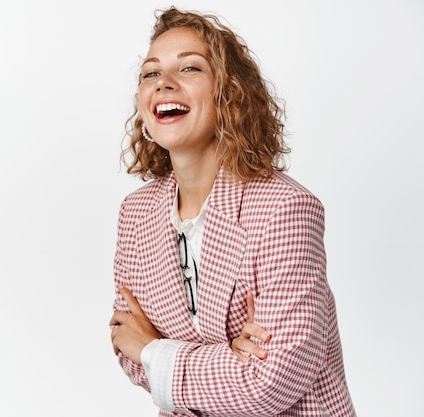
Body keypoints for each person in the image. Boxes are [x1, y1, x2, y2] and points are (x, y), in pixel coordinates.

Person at [109, 7, 356, 417]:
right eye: (150, 73)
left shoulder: (285, 209)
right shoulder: (136, 213)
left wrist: (155, 348)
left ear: (229, 92)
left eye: (189, 68)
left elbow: (271, 383)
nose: (163, 83)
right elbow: (125, 348)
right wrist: (228, 358)